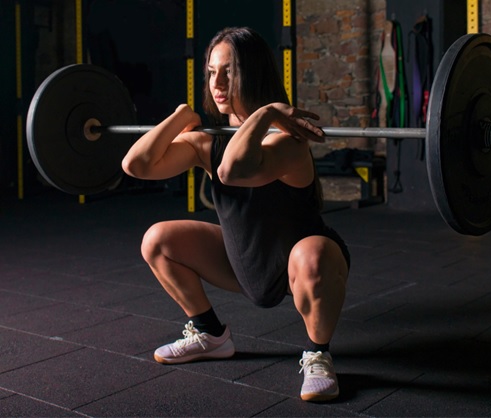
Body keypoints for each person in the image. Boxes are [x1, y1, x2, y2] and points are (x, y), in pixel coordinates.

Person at [122, 26, 350, 402]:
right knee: (157, 240)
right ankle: (209, 334)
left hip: (301, 267)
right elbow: (136, 165)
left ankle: (317, 353)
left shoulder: (289, 142)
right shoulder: (208, 141)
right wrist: (180, 118)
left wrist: (265, 114)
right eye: (212, 71)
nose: (218, 82)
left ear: (255, 72)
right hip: (243, 259)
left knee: (314, 255)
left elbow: (233, 170)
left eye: (230, 71)